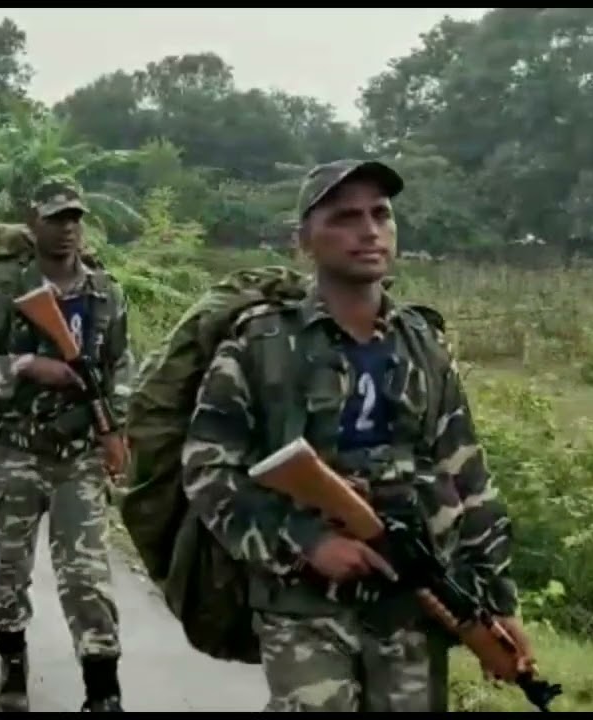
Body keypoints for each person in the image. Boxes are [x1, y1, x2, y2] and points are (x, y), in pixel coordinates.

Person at [179, 159, 530, 712]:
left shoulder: (423, 345)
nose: (369, 231)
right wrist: (306, 542)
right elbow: (207, 471)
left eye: (380, 215)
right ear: (304, 241)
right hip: (302, 602)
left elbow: (468, 476)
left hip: (411, 599)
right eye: (344, 218)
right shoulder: (260, 345)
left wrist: (497, 599)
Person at [0, 177, 131, 712]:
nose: (67, 228)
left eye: (75, 217)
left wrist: (115, 426)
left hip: (79, 453)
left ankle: (103, 690)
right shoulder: (1, 291)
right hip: (16, 449)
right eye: (56, 218)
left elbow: (122, 366)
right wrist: (26, 365)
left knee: (87, 575)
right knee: (13, 565)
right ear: (34, 223)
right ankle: (12, 662)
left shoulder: (106, 293)